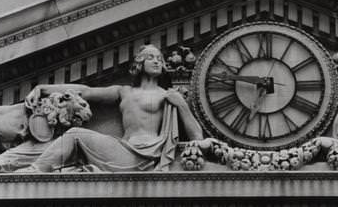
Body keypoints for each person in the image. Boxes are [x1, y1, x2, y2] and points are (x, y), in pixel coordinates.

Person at [19, 44, 203, 172]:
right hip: (124, 150)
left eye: (159, 59)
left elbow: (196, 136)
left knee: (75, 135)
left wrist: (181, 104)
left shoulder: (167, 96)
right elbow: (86, 92)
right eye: (150, 58)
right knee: (75, 135)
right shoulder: (124, 92)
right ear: (140, 63)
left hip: (145, 156)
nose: (156, 62)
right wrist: (43, 89)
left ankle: (33, 171)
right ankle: (33, 173)